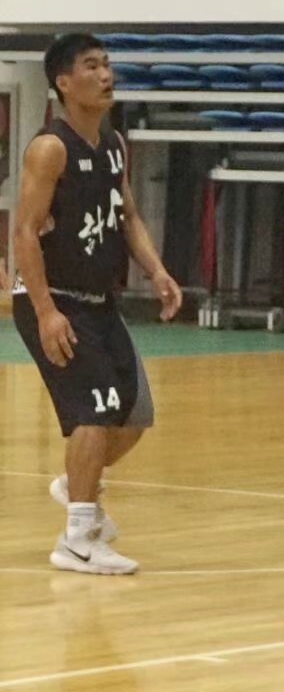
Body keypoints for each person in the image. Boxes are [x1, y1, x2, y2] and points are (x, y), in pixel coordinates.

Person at [15, 32, 184, 575]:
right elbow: (23, 232)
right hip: (57, 300)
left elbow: (127, 214)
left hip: (100, 301)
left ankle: (76, 483)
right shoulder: (50, 148)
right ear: (64, 82)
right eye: (91, 66)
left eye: (107, 64)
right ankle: (78, 540)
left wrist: (156, 270)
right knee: (91, 413)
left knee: (133, 415)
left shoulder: (113, 143)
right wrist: (45, 312)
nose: (106, 75)